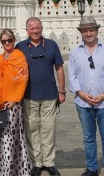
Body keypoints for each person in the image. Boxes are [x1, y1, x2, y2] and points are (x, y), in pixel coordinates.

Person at [69, 16, 104, 176]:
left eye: (91, 30)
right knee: (88, 138)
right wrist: (82, 94)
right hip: (83, 103)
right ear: (81, 33)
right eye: (85, 30)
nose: (88, 33)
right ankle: (91, 168)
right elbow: (72, 76)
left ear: (96, 31)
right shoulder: (75, 52)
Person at [16, 17, 65, 176]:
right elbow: (14, 72)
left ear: (41, 28)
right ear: (27, 30)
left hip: (49, 95)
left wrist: (62, 91)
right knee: (32, 129)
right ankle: (36, 163)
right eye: (31, 28)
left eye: (37, 28)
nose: (35, 31)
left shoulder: (51, 45)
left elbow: (59, 68)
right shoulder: (21, 47)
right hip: (28, 96)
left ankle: (49, 162)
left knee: (48, 129)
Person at [0, 28, 31, 176]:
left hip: (12, 104)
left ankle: (14, 170)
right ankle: (2, 170)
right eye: (4, 41)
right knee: (1, 137)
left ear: (14, 40)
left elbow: (23, 80)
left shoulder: (19, 56)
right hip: (0, 104)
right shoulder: (0, 58)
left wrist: (15, 100)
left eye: (9, 40)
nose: (7, 43)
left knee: (12, 138)